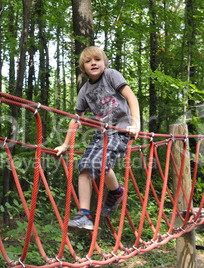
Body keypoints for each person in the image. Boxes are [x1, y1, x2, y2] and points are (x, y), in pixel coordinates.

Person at [54, 46, 140, 231]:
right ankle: (84, 214)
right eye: (88, 61)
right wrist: (65, 144)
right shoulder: (84, 90)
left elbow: (131, 97)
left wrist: (136, 124)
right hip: (101, 134)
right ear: (83, 68)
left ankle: (116, 192)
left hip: (121, 130)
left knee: (99, 163)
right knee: (84, 165)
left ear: (104, 63)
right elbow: (76, 120)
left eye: (97, 59)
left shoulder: (111, 75)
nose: (93, 63)